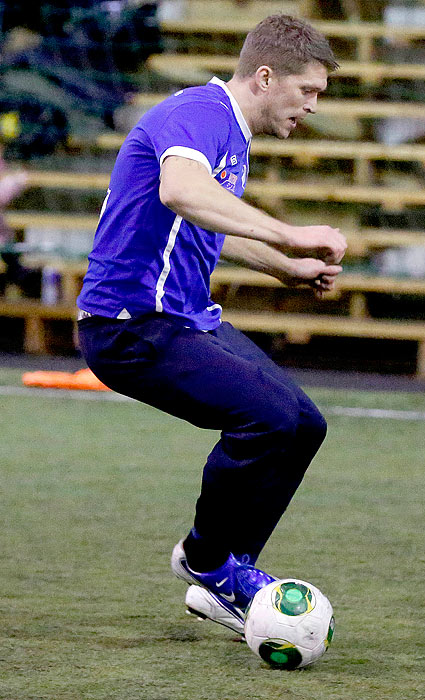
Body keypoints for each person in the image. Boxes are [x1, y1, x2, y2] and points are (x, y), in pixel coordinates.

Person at [76, 15, 347, 636]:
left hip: (182, 320)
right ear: (264, 75)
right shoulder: (200, 111)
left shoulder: (227, 130)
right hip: (130, 327)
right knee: (268, 419)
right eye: (306, 91)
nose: (312, 105)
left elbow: (202, 222)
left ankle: (227, 574)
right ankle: (205, 562)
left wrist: (285, 268)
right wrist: (289, 231)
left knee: (304, 424)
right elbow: (180, 193)